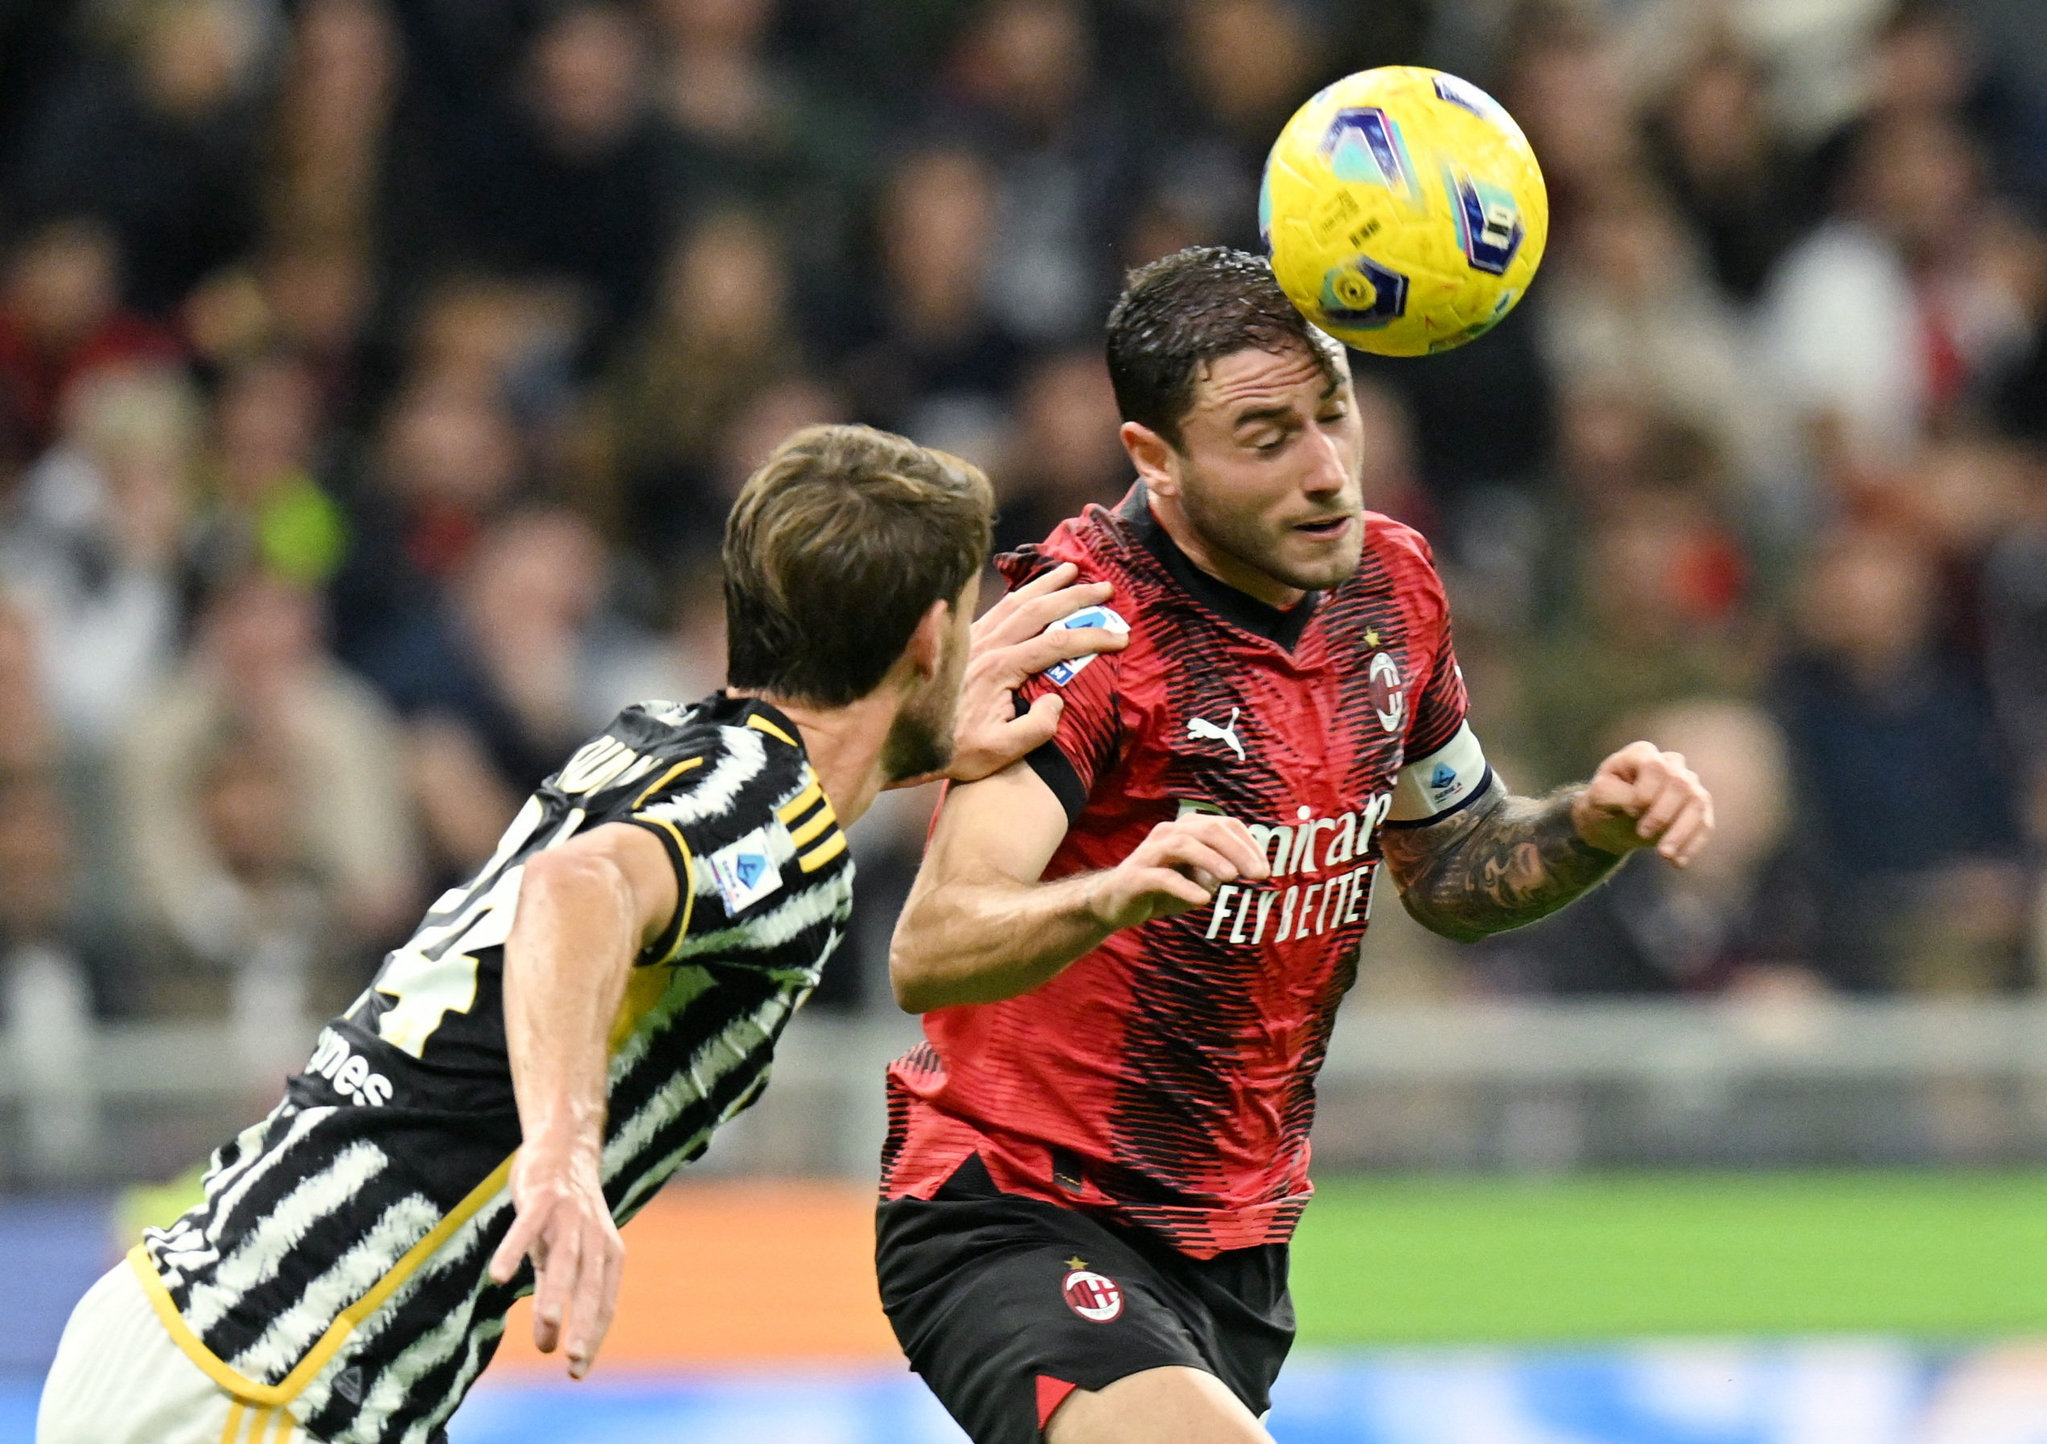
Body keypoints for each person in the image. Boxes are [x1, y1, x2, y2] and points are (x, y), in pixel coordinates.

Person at [36, 423, 1123, 1444]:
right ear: (931, 637)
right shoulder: (767, 811)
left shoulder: (667, 745)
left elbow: (715, 835)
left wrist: (907, 736)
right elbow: (578, 886)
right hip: (277, 1364)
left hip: (213, 1325)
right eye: (966, 614)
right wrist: (560, 1152)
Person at [875, 248, 1716, 1444]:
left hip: (1237, 1247)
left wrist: (1588, 824)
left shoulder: (1392, 587)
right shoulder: (1085, 631)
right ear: (1154, 461)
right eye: (1265, 436)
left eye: (1334, 414)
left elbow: (1453, 865)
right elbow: (935, 942)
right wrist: (1113, 894)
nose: (1326, 471)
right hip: (1018, 1208)